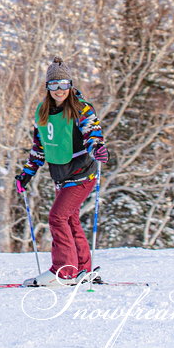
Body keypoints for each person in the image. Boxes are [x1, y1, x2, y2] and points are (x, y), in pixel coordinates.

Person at [15, 57, 110, 287]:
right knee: (70, 220)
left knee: (57, 217)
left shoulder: (80, 108)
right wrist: (26, 173)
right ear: (48, 87)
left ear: (70, 85)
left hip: (82, 173)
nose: (59, 91)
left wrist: (97, 148)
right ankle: (82, 269)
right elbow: (40, 147)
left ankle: (64, 270)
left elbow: (92, 133)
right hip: (61, 174)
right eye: (54, 85)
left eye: (64, 85)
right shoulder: (43, 111)